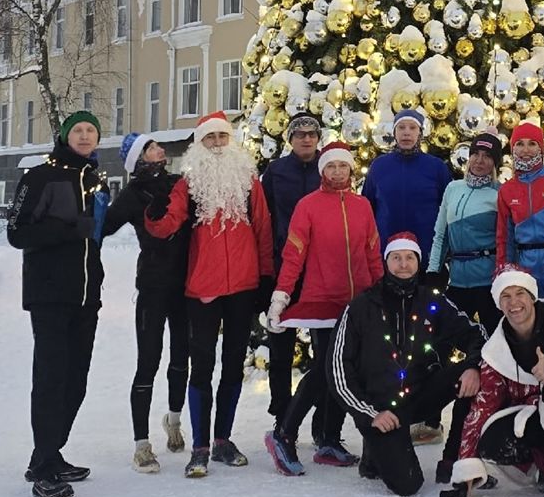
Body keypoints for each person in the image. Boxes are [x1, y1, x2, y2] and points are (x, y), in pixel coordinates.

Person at [146, 112, 273, 476]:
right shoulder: (189, 183)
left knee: (233, 364)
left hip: (243, 285)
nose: (217, 144)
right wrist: (155, 217)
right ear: (199, 144)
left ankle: (222, 441)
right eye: (210, 138)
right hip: (202, 285)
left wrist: (265, 277)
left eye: (222, 137)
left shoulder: (248, 181)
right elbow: (169, 221)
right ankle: (199, 446)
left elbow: (263, 228)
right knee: (201, 366)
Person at [328, 234, 482, 497]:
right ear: (386, 262)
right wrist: (369, 413)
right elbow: (338, 369)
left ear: (418, 262)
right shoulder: (361, 307)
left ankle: (454, 458)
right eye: (396, 258)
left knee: (477, 377)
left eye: (410, 257)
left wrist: (473, 366)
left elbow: (474, 334)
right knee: (408, 484)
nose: (403, 264)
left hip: (420, 394)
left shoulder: (431, 300)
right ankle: (375, 454)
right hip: (381, 410)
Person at [8, 110, 109, 497]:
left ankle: (47, 455)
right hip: (50, 294)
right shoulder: (40, 176)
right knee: (51, 379)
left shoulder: (94, 178)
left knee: (76, 380)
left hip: (85, 295)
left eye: (91, 130)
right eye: (77, 130)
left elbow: (97, 234)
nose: (84, 136)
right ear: (66, 136)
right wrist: (67, 230)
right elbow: (17, 232)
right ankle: (44, 467)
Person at [264, 141, 383, 475]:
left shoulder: (362, 206)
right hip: (323, 301)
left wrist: (382, 294)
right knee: (326, 370)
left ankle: (329, 438)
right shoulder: (308, 206)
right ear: (323, 170)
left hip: (357, 302)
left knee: (345, 372)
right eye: (331, 166)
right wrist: (281, 296)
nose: (337, 172)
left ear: (351, 169)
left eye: (343, 166)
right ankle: (284, 434)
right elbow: (293, 255)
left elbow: (373, 254)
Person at [443, 267, 544, 497]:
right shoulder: (496, 351)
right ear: (498, 303)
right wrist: (466, 469)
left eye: (520, 293)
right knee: (491, 440)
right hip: (535, 418)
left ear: (532, 296)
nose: (514, 303)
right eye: (506, 296)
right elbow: (482, 408)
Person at [103, 132, 190, 471]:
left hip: (185, 283)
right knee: (148, 361)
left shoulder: (179, 183)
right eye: (152, 147)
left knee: (181, 357)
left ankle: (174, 420)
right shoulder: (132, 194)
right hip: (153, 285)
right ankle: (141, 445)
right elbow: (103, 227)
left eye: (157, 145)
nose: (160, 149)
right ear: (139, 158)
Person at [260, 111, 322, 426]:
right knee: (281, 346)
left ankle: (324, 419)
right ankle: (281, 414)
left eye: (312, 134)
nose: (306, 139)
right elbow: (264, 217)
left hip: (321, 270)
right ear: (291, 139)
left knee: (324, 348)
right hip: (284, 267)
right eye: (300, 134)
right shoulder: (276, 171)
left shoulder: (329, 167)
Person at [428, 131, 503, 327]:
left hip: (488, 282)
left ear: (495, 163)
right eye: (475, 154)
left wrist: (503, 275)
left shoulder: (500, 193)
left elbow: (506, 239)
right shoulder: (453, 188)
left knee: (492, 337)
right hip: (457, 281)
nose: (479, 160)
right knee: (449, 335)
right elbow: (440, 235)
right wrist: (433, 271)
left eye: (487, 156)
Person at [362, 108, 451, 268]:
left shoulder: (436, 167)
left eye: (412, 128)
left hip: (427, 251)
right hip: (387, 251)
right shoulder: (379, 166)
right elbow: (367, 208)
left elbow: (448, 210)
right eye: (401, 127)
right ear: (394, 132)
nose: (406, 133)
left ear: (420, 133)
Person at [495, 121, 544, 300]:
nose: (525, 150)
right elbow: (504, 235)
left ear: (541, 148)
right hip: (525, 265)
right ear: (513, 149)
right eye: (519, 144)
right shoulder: (506, 190)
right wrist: (504, 268)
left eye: (532, 143)